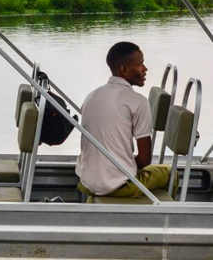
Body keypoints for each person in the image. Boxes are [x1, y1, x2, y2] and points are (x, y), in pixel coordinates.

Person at [75, 41, 176, 199]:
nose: (145, 69)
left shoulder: (91, 96)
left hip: (87, 182)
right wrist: (121, 166)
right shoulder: (138, 101)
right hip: (120, 187)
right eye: (140, 64)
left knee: (114, 173)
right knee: (171, 173)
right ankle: (162, 220)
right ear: (124, 69)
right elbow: (144, 159)